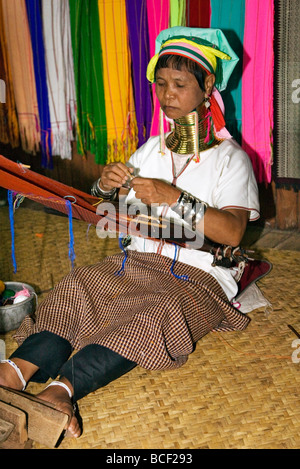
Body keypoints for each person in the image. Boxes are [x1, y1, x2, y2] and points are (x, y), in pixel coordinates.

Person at [0, 27, 259, 440]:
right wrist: (105, 186)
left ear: (208, 85)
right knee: (79, 286)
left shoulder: (231, 160)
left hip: (198, 277)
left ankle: (61, 390)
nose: (167, 93)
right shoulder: (152, 149)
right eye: (160, 84)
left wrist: (174, 196)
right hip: (136, 261)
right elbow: (105, 211)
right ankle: (14, 371)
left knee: (153, 313)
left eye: (179, 84)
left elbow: (232, 232)